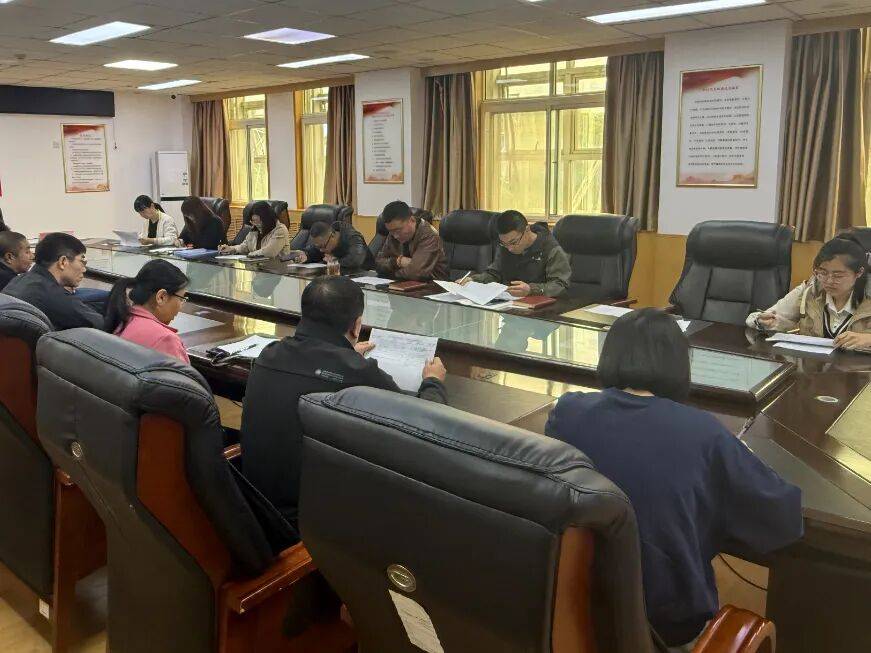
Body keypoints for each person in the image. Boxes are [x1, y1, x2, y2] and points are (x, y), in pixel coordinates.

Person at [545, 309, 803, 651]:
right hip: (665, 631)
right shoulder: (704, 433)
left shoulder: (567, 411)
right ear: (680, 364)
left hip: (569, 613)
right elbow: (784, 520)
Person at [240, 275, 448, 526]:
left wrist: (344, 353)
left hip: (255, 508)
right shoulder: (359, 372)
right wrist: (433, 381)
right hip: (313, 523)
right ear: (356, 326)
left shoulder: (269, 354)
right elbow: (427, 424)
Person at [747, 237, 871, 352]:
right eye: (822, 273)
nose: (828, 281)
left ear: (859, 273)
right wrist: (761, 321)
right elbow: (756, 317)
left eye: (838, 276)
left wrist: (868, 339)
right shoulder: (810, 289)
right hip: (814, 365)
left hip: (859, 367)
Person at [3, 233, 104, 330]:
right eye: (82, 261)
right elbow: (100, 324)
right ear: (63, 262)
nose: (84, 269)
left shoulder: (19, 280)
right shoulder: (52, 294)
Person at [464, 210, 570, 298]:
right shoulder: (505, 245)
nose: (509, 248)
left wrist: (531, 289)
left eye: (514, 242)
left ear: (527, 230)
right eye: (504, 243)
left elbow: (561, 286)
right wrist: (473, 280)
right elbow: (495, 274)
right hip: (508, 303)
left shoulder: (551, 248)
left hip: (540, 307)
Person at [105, 259, 191, 363]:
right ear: (161, 297)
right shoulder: (166, 340)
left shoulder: (122, 321)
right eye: (181, 299)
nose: (181, 306)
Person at [374, 200, 448, 281]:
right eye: (391, 231)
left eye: (398, 230)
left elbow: (415, 273)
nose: (395, 236)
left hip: (432, 285)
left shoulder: (429, 236)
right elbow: (378, 263)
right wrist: (398, 261)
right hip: (402, 284)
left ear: (412, 220)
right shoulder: (393, 233)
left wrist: (391, 272)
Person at [287, 220, 374, 270]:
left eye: (322, 247)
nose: (321, 250)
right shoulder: (325, 241)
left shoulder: (353, 237)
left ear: (332, 236)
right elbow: (315, 250)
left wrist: (334, 261)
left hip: (364, 277)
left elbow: (356, 260)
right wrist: (306, 254)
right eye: (319, 247)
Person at [218, 201, 289, 259]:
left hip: (276, 269)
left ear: (267, 219)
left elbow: (269, 252)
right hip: (258, 268)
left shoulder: (280, 230)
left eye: (259, 221)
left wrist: (249, 255)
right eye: (254, 221)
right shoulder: (255, 230)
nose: (257, 224)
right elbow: (245, 246)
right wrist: (231, 249)